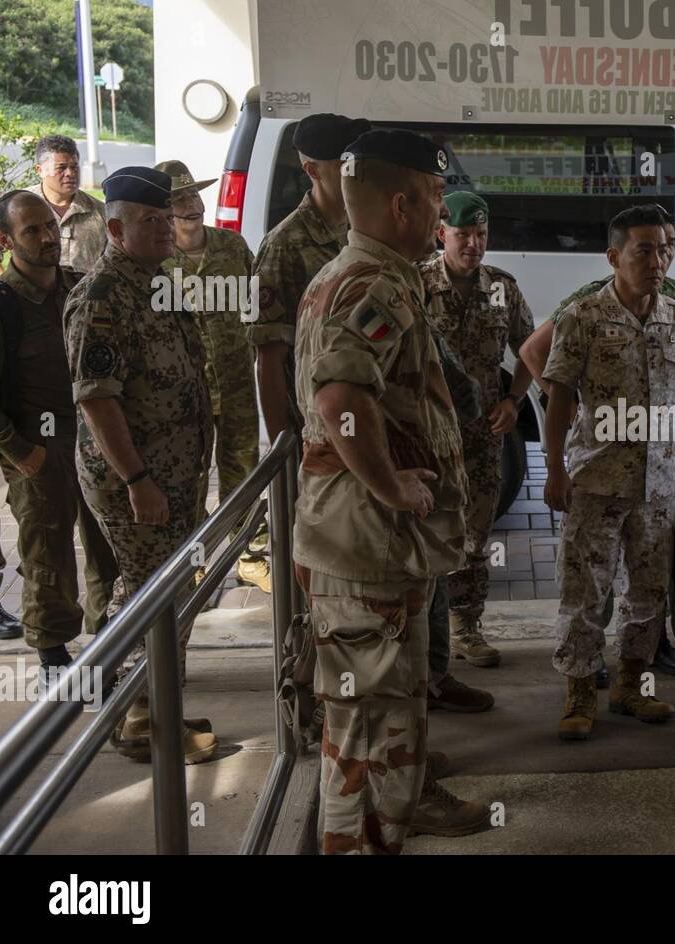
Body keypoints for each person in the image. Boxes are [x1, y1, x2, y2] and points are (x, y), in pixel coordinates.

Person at [293, 129, 488, 852]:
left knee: (376, 722)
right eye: (435, 197)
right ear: (403, 203)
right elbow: (341, 391)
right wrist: (391, 483)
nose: (442, 211)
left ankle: (381, 834)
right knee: (367, 727)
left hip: (372, 547)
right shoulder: (372, 282)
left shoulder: (359, 271)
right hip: (363, 543)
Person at [63, 167, 217, 764]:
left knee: (167, 594)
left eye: (166, 219)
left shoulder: (157, 281)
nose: (164, 230)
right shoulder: (103, 296)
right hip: (137, 482)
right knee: (151, 599)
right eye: (149, 221)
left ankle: (153, 710)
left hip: (173, 476)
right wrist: (137, 481)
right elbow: (96, 396)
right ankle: (139, 721)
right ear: (115, 228)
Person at [543, 205, 675, 741]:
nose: (658, 261)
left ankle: (632, 687)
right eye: (644, 250)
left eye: (665, 248)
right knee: (585, 591)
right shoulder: (582, 318)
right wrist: (553, 470)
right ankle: (580, 693)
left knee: (648, 593)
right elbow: (559, 397)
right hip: (596, 480)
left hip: (657, 483)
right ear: (614, 257)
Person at [0, 190, 117, 670]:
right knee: (48, 557)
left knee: (108, 549)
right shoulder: (5, 305)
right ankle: (53, 661)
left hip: (96, 444)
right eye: (33, 230)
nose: (49, 236)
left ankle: (111, 643)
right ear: (5, 240)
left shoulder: (79, 288)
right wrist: (21, 452)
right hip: (38, 452)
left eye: (50, 225)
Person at [419, 191, 534, 673]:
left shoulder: (502, 287)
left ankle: (467, 627)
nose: (473, 244)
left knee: (475, 535)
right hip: (427, 436)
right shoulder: (416, 284)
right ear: (441, 233)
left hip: (484, 435)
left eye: (481, 234)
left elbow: (530, 349)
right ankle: (424, 631)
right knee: (425, 531)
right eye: (463, 234)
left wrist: (514, 400)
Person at [155, 160, 266, 592]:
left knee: (244, 472)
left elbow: (258, 304)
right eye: (179, 199)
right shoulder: (158, 263)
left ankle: (250, 556)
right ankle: (194, 561)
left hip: (237, 382)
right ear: (165, 211)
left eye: (193, 195)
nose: (190, 204)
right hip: (187, 395)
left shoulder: (232, 247)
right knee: (191, 479)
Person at [250, 113, 370, 445]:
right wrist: (281, 448)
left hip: (362, 414)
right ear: (313, 171)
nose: (355, 171)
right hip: (314, 428)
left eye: (356, 161)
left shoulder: (362, 229)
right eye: (343, 163)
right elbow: (269, 358)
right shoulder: (282, 246)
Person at [27, 135, 107, 274]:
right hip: (31, 294)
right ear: (40, 170)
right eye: (61, 168)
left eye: (74, 167)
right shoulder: (20, 207)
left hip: (85, 294)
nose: (70, 173)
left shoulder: (100, 212)